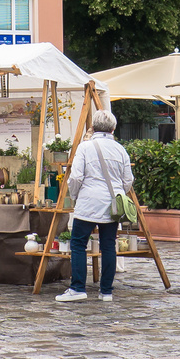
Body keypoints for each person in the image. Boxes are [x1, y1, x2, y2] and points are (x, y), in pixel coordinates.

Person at [54, 110, 134, 304]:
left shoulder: (85, 147)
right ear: (113, 128)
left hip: (89, 202)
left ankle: (78, 288)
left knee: (79, 243)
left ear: (93, 127)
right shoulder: (120, 149)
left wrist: (75, 196)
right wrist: (117, 193)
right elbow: (128, 180)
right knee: (108, 245)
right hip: (112, 205)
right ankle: (106, 291)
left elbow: (76, 177)